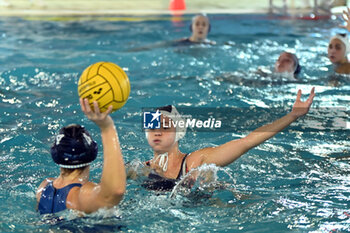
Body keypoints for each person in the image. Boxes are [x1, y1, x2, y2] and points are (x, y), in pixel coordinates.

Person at [129, 88, 315, 191]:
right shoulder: (138, 170)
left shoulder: (196, 162)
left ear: (179, 132)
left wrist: (292, 116)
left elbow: (246, 142)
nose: (157, 132)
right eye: (152, 127)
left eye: (165, 127)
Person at [36, 99, 126, 214]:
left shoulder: (43, 188)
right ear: (93, 152)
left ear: (55, 154)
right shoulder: (81, 196)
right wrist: (107, 128)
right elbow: (115, 192)